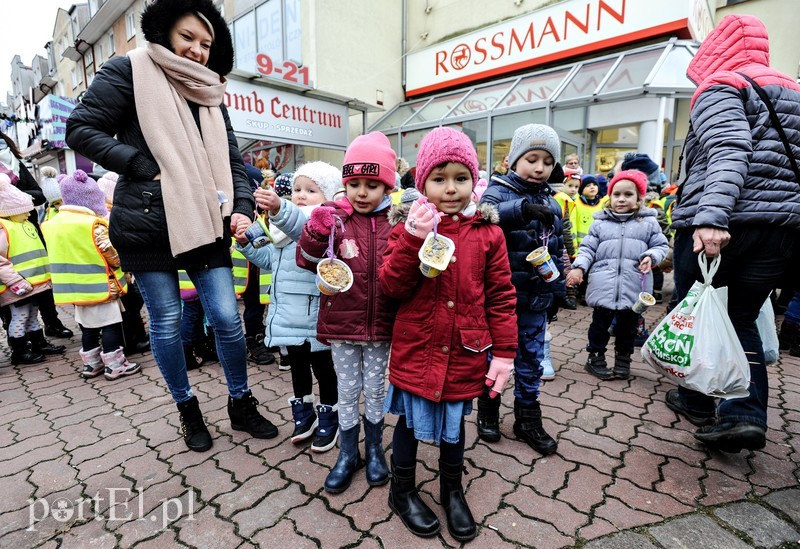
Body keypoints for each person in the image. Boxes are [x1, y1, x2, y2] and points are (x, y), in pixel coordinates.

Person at [65, 0, 277, 452]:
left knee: (225, 317)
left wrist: (241, 205)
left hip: (206, 217)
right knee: (165, 321)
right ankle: (188, 409)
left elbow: (233, 162)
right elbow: (81, 128)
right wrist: (142, 164)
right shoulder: (128, 71)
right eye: (188, 38)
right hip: (145, 220)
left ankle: (240, 402)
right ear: (164, 33)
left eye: (206, 43)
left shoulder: (210, 91)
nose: (198, 50)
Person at [666, 14, 800, 453]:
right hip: (780, 232)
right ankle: (744, 414)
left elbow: (729, 149)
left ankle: (699, 401)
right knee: (741, 318)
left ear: (715, 47)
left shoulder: (722, 84)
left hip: (725, 225)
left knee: (699, 312)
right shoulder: (793, 90)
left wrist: (712, 218)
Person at [379, 128, 517, 541]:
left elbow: (502, 295)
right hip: (417, 347)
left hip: (464, 349)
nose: (451, 189)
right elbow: (392, 286)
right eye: (439, 179)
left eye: (461, 177)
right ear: (422, 182)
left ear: (474, 180)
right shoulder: (406, 226)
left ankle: (451, 489)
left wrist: (506, 353)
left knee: (454, 427)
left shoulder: (488, 232)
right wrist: (412, 239)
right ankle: (401, 490)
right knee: (407, 421)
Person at [297, 132, 397, 494]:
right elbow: (306, 261)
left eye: (373, 184)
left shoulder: (396, 222)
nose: (362, 192)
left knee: (374, 389)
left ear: (386, 185)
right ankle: (347, 453)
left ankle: (373, 449)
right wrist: (314, 230)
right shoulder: (336, 218)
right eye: (354, 183)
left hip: (381, 326)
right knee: (347, 388)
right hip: (341, 324)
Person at [237, 162, 341, 452]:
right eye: (296, 190)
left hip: (315, 315)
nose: (300, 195)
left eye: (310, 190)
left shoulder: (324, 224)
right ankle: (304, 416)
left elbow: (303, 231)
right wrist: (247, 244)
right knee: (297, 367)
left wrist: (279, 210)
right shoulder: (284, 229)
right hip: (288, 315)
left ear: (328, 195)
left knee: (324, 369)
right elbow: (271, 260)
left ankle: (330, 416)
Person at [479, 124, 564, 456]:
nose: (539, 167)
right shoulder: (497, 192)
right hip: (500, 300)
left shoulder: (554, 203)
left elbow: (556, 250)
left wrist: (557, 291)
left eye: (546, 161)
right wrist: (521, 211)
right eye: (531, 158)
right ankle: (488, 411)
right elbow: (482, 221)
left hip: (536, 299)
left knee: (532, 361)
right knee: (495, 358)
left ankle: (527, 419)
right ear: (512, 160)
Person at [566, 170, 668, 380]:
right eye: (617, 194)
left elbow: (661, 245)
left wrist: (651, 256)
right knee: (599, 325)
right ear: (609, 197)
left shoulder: (648, 223)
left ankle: (623, 359)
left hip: (634, 285)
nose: (621, 199)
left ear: (639, 198)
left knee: (628, 328)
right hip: (603, 284)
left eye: (628, 194)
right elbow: (587, 249)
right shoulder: (600, 223)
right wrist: (579, 267)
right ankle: (596, 356)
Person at [41, 170, 141, 380]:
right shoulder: (93, 224)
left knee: (87, 326)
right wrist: (125, 263)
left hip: (73, 289)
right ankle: (115, 365)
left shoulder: (50, 225)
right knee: (110, 324)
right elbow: (111, 254)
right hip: (99, 284)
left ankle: (91, 364)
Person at [0, 130, 73, 339]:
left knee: (41, 280)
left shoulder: (16, 165)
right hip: (4, 235)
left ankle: (52, 324)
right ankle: (17, 336)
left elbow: (39, 194)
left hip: (28, 229)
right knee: (9, 288)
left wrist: (17, 198)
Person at [0, 173, 63, 364]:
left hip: (35, 283)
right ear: (10, 210)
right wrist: (15, 281)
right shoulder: (4, 228)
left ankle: (38, 342)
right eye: (25, 210)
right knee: (20, 317)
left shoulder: (24, 224)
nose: (29, 213)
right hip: (18, 285)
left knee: (33, 315)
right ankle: (19, 351)